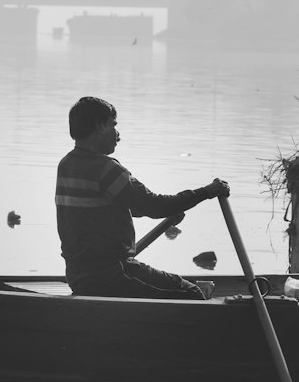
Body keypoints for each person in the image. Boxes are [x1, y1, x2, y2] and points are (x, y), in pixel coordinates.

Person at [55, 96, 229, 300]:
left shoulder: (66, 165)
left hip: (79, 277)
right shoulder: (106, 169)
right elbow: (154, 205)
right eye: (113, 125)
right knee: (192, 293)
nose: (117, 135)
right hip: (112, 276)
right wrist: (207, 192)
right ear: (100, 126)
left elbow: (103, 208)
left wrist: (169, 212)